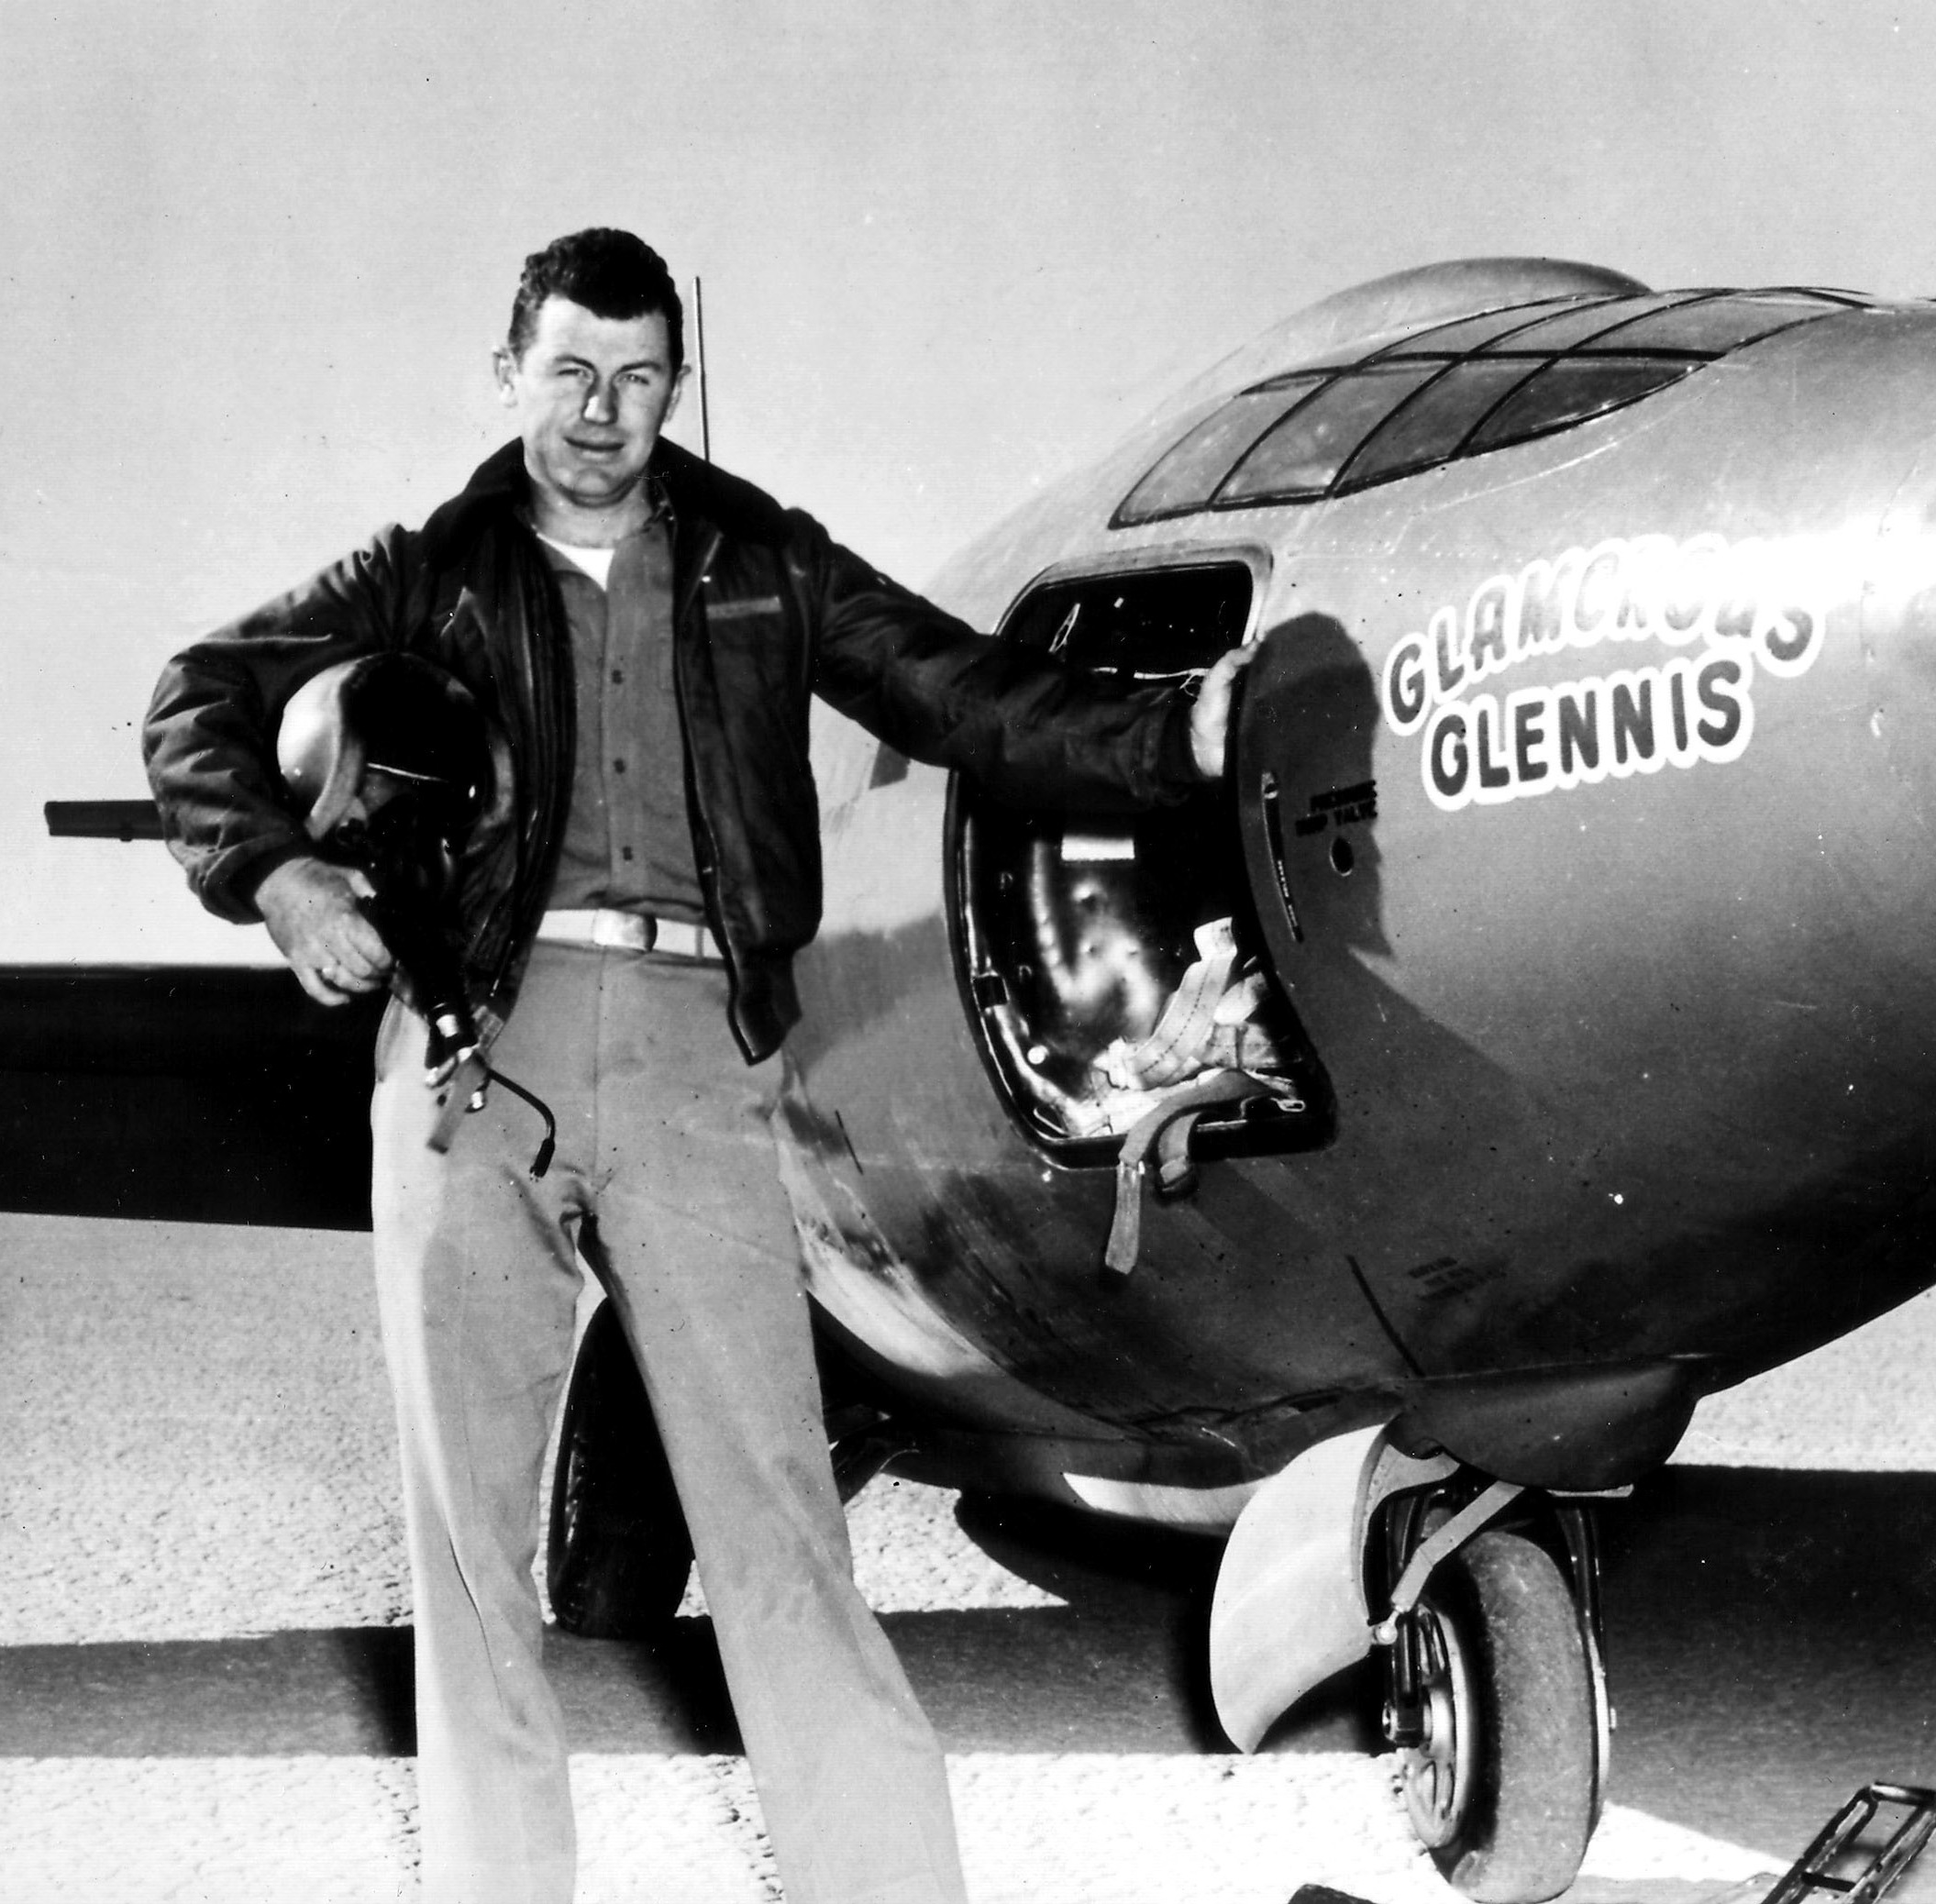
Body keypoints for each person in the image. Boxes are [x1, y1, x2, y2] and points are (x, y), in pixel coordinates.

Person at [143, 227, 1248, 1904]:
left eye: (639, 377)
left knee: (779, 1534)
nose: (602, 412)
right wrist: (280, 876)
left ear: (678, 379)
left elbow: (968, 695)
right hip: (468, 1064)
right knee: (469, 1560)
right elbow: (195, 700)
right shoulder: (425, 568)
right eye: (571, 371)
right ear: (507, 369)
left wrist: (1175, 741)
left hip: (692, 1065)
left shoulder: (763, 562)